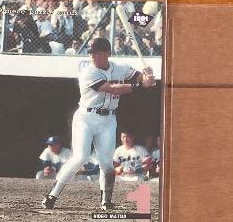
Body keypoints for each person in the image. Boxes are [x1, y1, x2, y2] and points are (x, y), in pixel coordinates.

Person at [41, 36, 157, 211]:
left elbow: (140, 77)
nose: (93, 56)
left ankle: (106, 201)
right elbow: (111, 88)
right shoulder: (88, 72)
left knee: (106, 163)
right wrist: (141, 85)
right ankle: (52, 195)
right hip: (86, 117)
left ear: (107, 53)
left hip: (108, 119)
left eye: (97, 53)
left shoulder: (120, 67)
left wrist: (147, 76)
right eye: (91, 53)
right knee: (80, 157)